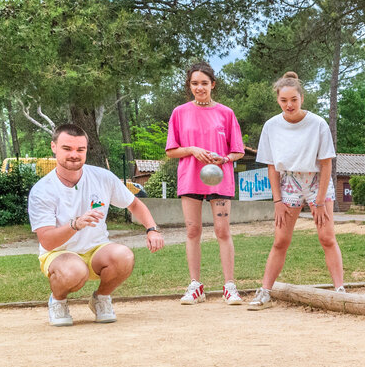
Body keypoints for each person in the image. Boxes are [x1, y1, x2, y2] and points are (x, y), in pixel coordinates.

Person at [28, 124, 166, 326]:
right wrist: (75, 224)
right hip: (59, 254)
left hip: (96, 250)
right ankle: (58, 301)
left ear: (86, 150)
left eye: (80, 149)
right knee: (75, 271)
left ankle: (101, 298)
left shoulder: (102, 177)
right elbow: (47, 241)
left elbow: (135, 204)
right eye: (67, 148)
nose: (74, 155)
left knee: (124, 256)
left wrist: (152, 230)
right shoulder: (42, 190)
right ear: (54, 147)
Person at [247, 71, 346, 309]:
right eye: (284, 101)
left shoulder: (318, 124)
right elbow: (271, 167)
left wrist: (320, 201)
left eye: (294, 99)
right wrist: (277, 201)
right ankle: (265, 291)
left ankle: (340, 290)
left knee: (326, 237)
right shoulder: (271, 126)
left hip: (316, 181)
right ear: (278, 100)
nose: (289, 105)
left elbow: (326, 164)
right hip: (288, 182)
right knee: (280, 240)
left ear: (302, 98)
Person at [165, 62, 246, 305]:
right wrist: (191, 149)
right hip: (190, 178)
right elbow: (171, 151)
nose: (199, 88)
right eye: (194, 83)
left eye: (204, 83)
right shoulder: (179, 112)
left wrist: (225, 158)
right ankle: (195, 286)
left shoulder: (226, 113)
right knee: (192, 231)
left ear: (213, 84)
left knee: (222, 231)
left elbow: (238, 151)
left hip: (219, 180)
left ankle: (230, 286)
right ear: (189, 86)